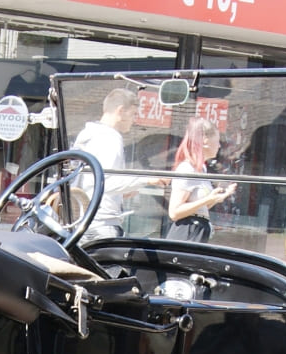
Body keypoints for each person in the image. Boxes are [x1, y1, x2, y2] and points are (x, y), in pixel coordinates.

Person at [74, 88, 157, 242]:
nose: (134, 121)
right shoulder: (110, 137)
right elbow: (106, 182)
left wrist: (123, 192)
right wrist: (146, 179)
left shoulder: (88, 135)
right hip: (102, 225)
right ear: (121, 111)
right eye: (133, 114)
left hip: (82, 221)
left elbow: (92, 182)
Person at [166, 117, 234, 242]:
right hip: (188, 231)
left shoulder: (201, 168)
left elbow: (201, 207)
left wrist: (219, 196)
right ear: (205, 140)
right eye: (217, 141)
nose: (219, 146)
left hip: (198, 230)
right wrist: (208, 199)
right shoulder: (187, 168)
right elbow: (174, 212)